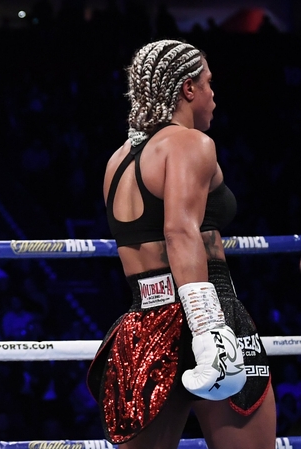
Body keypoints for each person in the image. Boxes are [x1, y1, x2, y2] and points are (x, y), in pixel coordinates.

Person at [87, 39, 276, 448]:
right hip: (207, 309)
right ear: (188, 89)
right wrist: (208, 327)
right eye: (208, 83)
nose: (213, 95)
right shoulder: (190, 143)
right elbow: (180, 230)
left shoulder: (118, 161)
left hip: (145, 321)